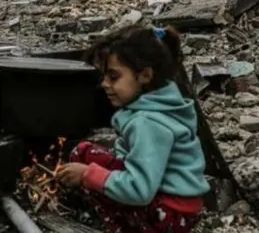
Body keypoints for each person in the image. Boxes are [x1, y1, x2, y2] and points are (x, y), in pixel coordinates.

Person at [56, 25, 210, 233]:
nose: (104, 84)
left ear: (145, 75)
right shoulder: (162, 102)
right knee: (84, 153)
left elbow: (140, 191)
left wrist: (87, 175)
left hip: (168, 214)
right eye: (104, 77)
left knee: (85, 165)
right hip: (177, 206)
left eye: (113, 77)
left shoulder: (147, 123)